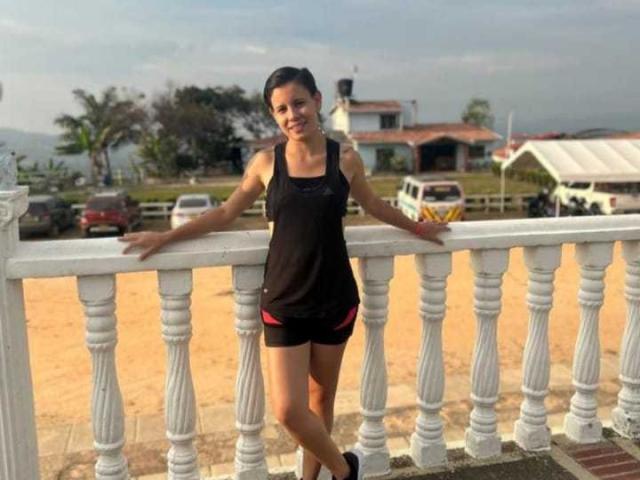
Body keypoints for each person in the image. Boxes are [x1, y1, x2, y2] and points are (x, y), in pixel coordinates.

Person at [120, 66, 449, 480]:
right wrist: (166, 237)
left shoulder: (345, 159)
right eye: (281, 109)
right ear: (274, 116)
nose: (293, 115)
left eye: (299, 103)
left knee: (320, 400)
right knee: (289, 409)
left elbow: (374, 206)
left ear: (316, 101)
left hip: (334, 297)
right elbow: (226, 212)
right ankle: (344, 470)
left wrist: (417, 227)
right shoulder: (266, 162)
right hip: (284, 300)